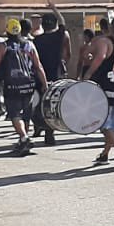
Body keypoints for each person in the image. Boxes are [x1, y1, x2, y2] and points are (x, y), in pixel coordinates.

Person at [0, 19, 49, 156]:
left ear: (7, 31)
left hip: (12, 85)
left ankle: (24, 137)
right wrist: (44, 84)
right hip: (29, 84)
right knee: (26, 114)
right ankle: (23, 142)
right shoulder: (29, 45)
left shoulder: (4, 46)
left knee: (14, 114)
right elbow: (38, 66)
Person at [84, 17, 114, 169]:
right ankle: (105, 154)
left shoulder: (106, 42)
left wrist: (88, 74)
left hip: (106, 88)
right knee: (111, 126)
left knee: (103, 125)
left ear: (111, 27)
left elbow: (100, 58)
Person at [32, 9, 72, 146]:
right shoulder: (59, 36)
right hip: (56, 74)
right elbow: (63, 22)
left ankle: (38, 125)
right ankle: (49, 133)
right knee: (52, 104)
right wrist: (54, 8)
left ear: (42, 25)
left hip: (40, 74)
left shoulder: (37, 40)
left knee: (39, 101)